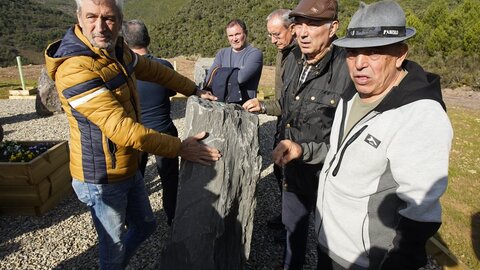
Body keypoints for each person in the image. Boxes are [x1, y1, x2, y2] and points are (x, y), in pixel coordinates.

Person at [44, 0, 221, 269]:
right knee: (112, 247)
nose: (101, 27)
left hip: (126, 166)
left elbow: (151, 69)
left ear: (120, 21)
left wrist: (193, 89)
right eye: (92, 17)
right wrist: (179, 147)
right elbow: (122, 129)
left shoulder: (115, 50)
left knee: (146, 226)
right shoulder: (75, 69)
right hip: (101, 176)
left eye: (110, 18)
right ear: (78, 17)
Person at [313, 1, 453, 269]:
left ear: (400, 54)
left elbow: (421, 212)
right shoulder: (352, 94)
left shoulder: (420, 115)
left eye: (374, 52)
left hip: (365, 260)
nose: (359, 65)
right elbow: (340, 154)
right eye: (352, 53)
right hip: (328, 244)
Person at [247, 0, 352, 268]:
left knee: (330, 247)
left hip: (328, 178)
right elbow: (287, 104)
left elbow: (352, 137)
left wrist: (305, 150)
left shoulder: (349, 67)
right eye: (299, 24)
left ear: (333, 27)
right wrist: (265, 106)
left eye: (313, 24)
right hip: (293, 173)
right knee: (293, 238)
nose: (303, 32)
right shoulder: (293, 59)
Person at [244, 8, 298, 234]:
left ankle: (293, 226)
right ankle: (287, 215)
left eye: (277, 34)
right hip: (281, 123)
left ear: (292, 29)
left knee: (292, 178)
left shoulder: (299, 57)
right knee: (278, 170)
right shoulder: (283, 51)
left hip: (294, 128)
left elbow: (291, 102)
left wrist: (264, 106)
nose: (273, 40)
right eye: (270, 35)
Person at [122, 19, 178, 226]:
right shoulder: (163, 66)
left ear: (126, 43)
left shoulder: (124, 70)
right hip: (164, 130)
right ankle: (172, 217)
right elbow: (171, 91)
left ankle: (133, 220)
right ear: (149, 39)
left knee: (135, 178)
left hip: (137, 133)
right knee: (170, 179)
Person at [205, 19, 263, 104]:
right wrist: (235, 73)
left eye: (237, 34)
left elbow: (240, 79)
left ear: (245, 33)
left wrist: (220, 73)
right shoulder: (222, 53)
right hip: (222, 105)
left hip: (245, 108)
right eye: (230, 35)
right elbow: (210, 78)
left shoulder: (255, 54)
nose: (234, 39)